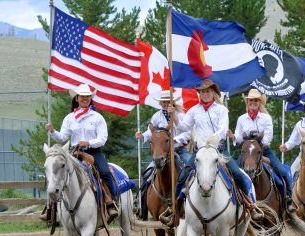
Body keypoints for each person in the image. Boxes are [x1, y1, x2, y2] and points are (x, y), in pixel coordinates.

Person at [160, 80, 263, 226]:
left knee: (238, 174)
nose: (205, 94)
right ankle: (174, 208)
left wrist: (211, 141)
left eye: (208, 91)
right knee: (183, 175)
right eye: (202, 92)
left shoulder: (221, 110)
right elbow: (183, 127)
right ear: (199, 94)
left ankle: (250, 206)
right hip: (200, 152)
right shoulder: (194, 110)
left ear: (213, 93)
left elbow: (222, 130)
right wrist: (174, 116)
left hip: (219, 149)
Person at [42, 83, 119, 223]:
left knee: (104, 172)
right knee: (57, 172)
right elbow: (63, 137)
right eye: (82, 97)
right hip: (74, 153)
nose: (85, 99)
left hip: (93, 152)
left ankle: (111, 203)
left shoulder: (97, 117)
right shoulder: (70, 118)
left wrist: (88, 143)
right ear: (77, 98)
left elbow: (102, 138)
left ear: (90, 98)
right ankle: (51, 208)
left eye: (87, 97)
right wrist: (53, 131)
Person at [227, 88, 293, 208]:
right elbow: (239, 137)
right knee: (233, 172)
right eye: (251, 100)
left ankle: (288, 199)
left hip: (264, 151)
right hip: (247, 152)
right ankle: (233, 199)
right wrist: (233, 137)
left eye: (256, 100)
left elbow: (268, 137)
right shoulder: (241, 119)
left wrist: (258, 144)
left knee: (282, 172)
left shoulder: (266, 118)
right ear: (248, 102)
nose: (253, 102)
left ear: (259, 102)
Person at [135, 90, 192, 163]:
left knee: (191, 164)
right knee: (149, 172)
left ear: (172, 102)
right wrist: (142, 135)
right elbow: (151, 132)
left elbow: (187, 133)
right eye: (164, 102)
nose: (166, 104)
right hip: (162, 152)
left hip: (180, 151)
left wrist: (175, 140)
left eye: (168, 101)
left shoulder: (181, 115)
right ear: (161, 103)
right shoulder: (156, 116)